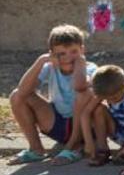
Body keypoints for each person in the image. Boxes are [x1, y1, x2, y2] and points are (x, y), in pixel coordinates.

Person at [9, 25, 97, 165]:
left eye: (74, 51)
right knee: (17, 96)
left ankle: (74, 146)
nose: (68, 58)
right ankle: (36, 149)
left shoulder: (90, 68)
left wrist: (80, 63)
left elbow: (80, 86)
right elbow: (23, 90)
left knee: (85, 93)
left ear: (82, 50)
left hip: (84, 127)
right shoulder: (49, 67)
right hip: (57, 123)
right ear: (52, 54)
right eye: (61, 54)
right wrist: (42, 60)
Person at [81, 64, 124, 167]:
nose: (110, 100)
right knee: (98, 109)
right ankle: (103, 149)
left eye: (114, 98)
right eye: (107, 98)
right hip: (119, 131)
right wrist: (89, 143)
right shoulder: (105, 91)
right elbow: (85, 113)